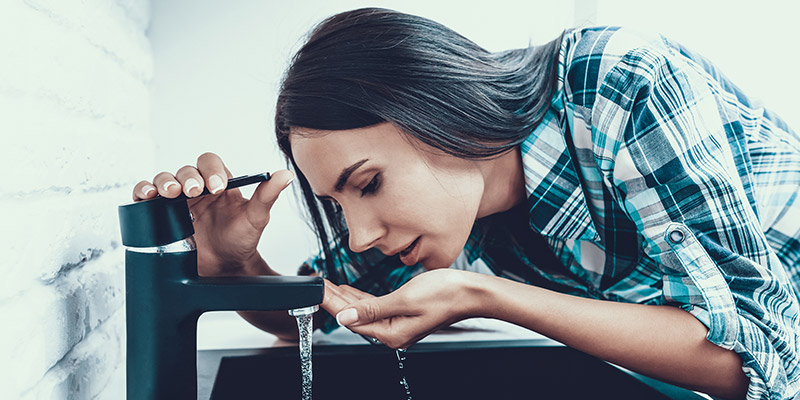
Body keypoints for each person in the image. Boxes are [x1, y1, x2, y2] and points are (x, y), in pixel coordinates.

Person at [133, 8, 800, 400]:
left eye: (367, 185)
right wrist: (234, 263)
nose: (359, 235)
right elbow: (322, 312)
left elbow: (758, 363)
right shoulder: (448, 216)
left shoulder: (620, 82)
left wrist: (487, 297)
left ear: (445, 116)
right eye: (338, 205)